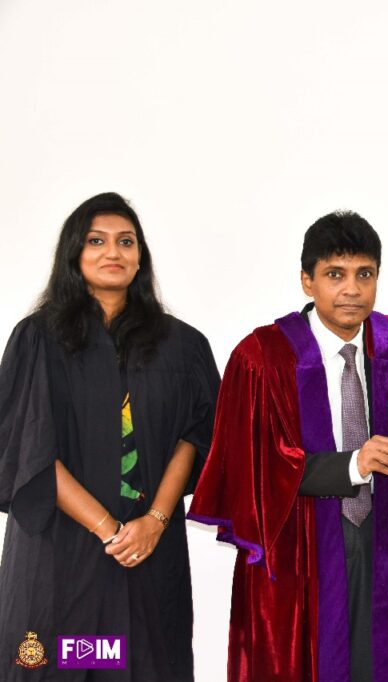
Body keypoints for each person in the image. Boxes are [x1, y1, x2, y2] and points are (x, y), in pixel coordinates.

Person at [187, 210, 388, 682]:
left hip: (376, 536)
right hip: (295, 547)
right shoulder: (262, 357)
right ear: (307, 281)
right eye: (335, 275)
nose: (352, 289)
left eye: (365, 274)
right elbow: (252, 466)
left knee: (370, 662)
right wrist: (352, 465)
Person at [0, 192, 220, 681]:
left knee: (145, 666)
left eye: (126, 241)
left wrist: (154, 522)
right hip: (65, 558)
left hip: (149, 556)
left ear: (141, 256)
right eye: (96, 241)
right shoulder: (39, 340)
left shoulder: (182, 346)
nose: (113, 252)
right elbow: (29, 448)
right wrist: (110, 531)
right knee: (75, 662)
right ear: (74, 253)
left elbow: (196, 437)